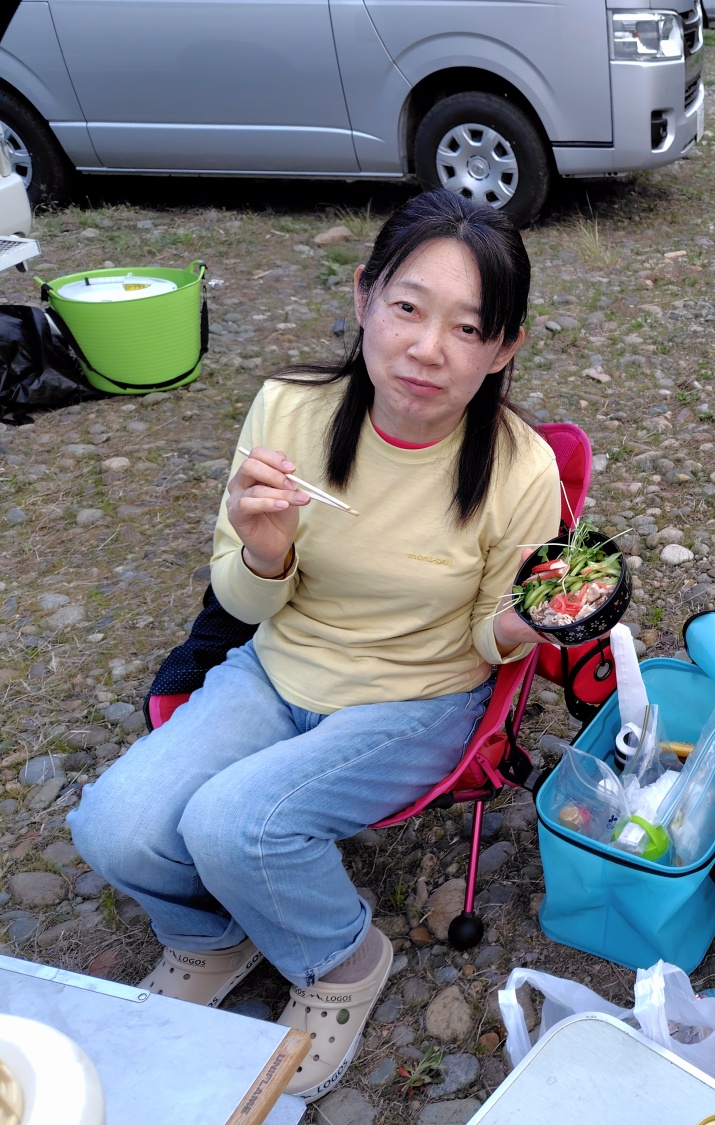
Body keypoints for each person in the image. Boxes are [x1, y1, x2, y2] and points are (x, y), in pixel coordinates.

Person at [69, 191, 562, 1103]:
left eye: (468, 327)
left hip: (417, 697)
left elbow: (487, 637)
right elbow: (239, 601)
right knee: (112, 826)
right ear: (365, 296)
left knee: (234, 823)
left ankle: (343, 956)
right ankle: (214, 935)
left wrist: (525, 624)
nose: (428, 348)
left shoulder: (521, 466)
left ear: (503, 348)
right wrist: (265, 551)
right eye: (408, 307)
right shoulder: (288, 410)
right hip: (276, 666)